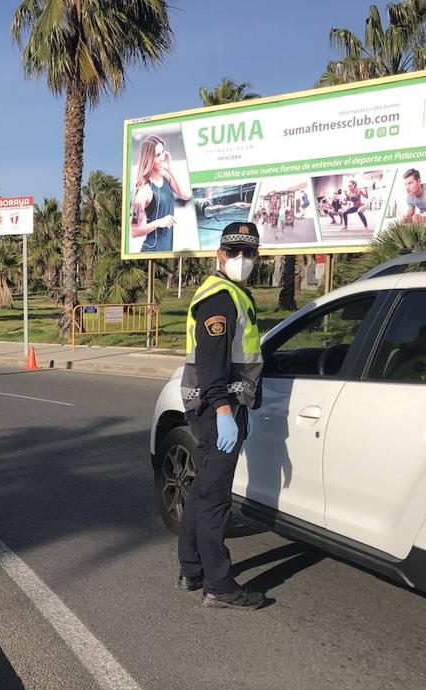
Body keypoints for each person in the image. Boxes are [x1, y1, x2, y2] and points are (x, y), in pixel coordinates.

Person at [177, 222, 266, 611]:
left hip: (212, 408)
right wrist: (225, 412)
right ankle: (220, 586)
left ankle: (191, 568)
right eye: (234, 253)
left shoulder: (230, 293)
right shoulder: (221, 299)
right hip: (218, 409)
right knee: (215, 500)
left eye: (248, 253)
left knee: (201, 490)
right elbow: (214, 367)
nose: (241, 260)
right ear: (220, 255)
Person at [130, 135, 190, 252]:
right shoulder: (143, 191)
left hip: (166, 252)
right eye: (157, 155)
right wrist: (159, 222)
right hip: (151, 251)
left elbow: (186, 195)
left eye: (162, 152)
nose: (162, 157)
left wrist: (170, 170)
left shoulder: (167, 177)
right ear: (149, 159)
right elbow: (134, 231)